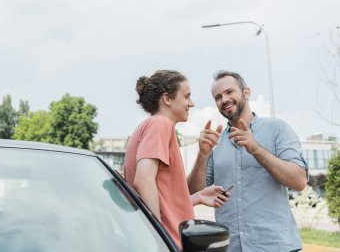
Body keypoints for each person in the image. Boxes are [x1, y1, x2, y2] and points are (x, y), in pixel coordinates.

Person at [188, 70, 308, 252]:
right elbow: (195, 194)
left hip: (276, 247)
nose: (224, 99)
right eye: (218, 97)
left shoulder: (277, 129)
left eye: (230, 92)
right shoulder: (215, 143)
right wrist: (202, 154)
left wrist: (256, 150)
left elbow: (299, 181)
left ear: (246, 92)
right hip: (231, 247)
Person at [124, 70, 229, 248]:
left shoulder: (148, 127)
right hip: (165, 243)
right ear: (167, 99)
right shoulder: (160, 124)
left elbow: (161, 194)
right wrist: (158, 237)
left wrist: (197, 197)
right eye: (187, 96)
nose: (192, 103)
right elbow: (143, 180)